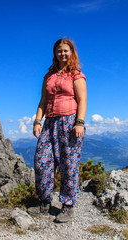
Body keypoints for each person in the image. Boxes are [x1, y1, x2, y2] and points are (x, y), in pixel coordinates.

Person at [27, 38, 87, 223]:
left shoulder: (76, 74)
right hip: (49, 122)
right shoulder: (49, 76)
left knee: (69, 164)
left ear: (71, 53)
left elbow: (82, 100)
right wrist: (37, 121)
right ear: (55, 53)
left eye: (66, 50)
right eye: (59, 51)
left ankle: (68, 206)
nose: (62, 53)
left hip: (69, 122)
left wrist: (79, 122)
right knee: (41, 160)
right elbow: (43, 102)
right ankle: (45, 201)